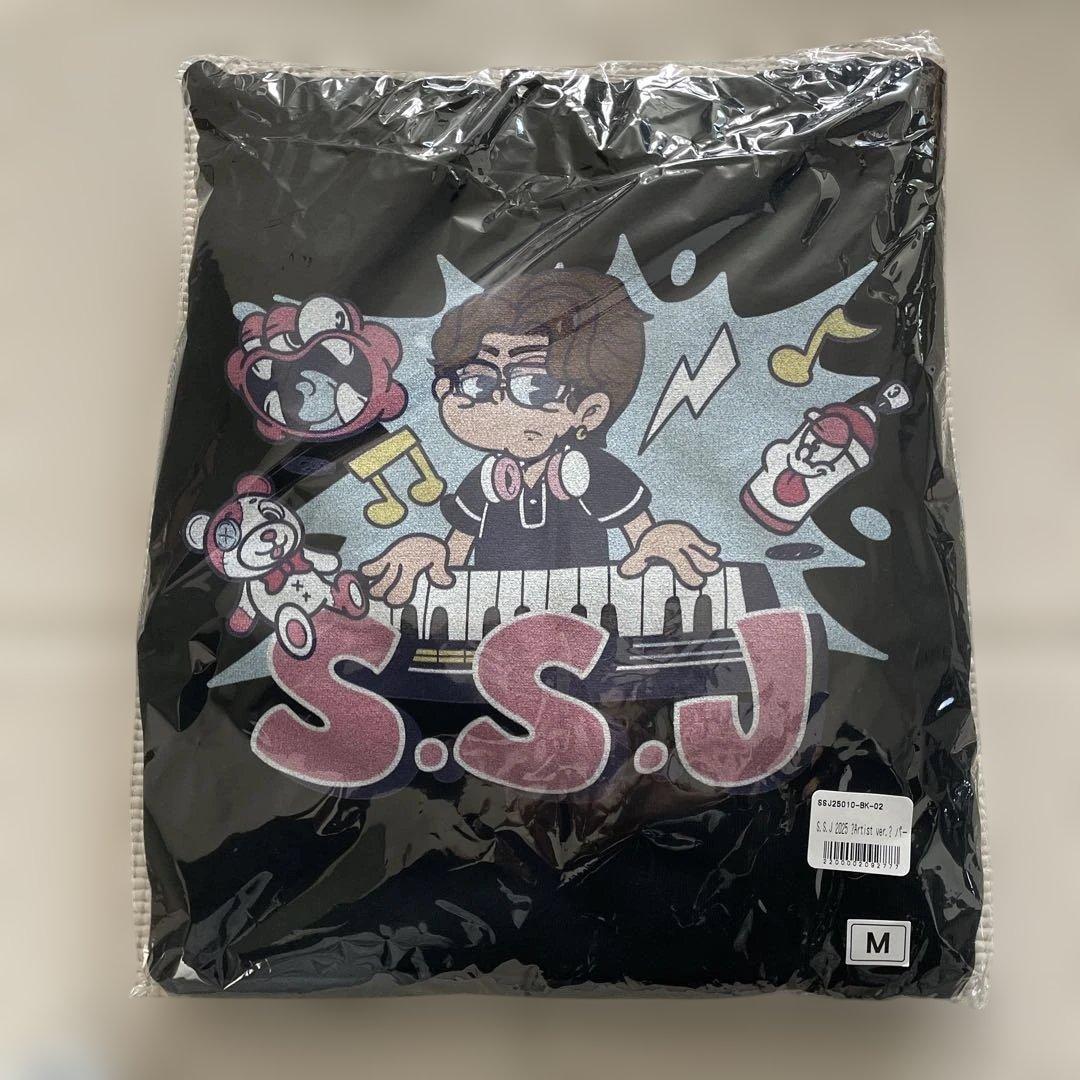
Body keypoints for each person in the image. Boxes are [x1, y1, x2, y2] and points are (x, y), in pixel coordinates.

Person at [362, 268, 720, 606]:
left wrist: (656, 541)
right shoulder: (488, 481)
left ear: (589, 411)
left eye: (534, 386)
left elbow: (642, 537)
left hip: (588, 611)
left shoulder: (591, 472)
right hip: (490, 617)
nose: (497, 399)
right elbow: (452, 562)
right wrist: (430, 555)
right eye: (478, 380)